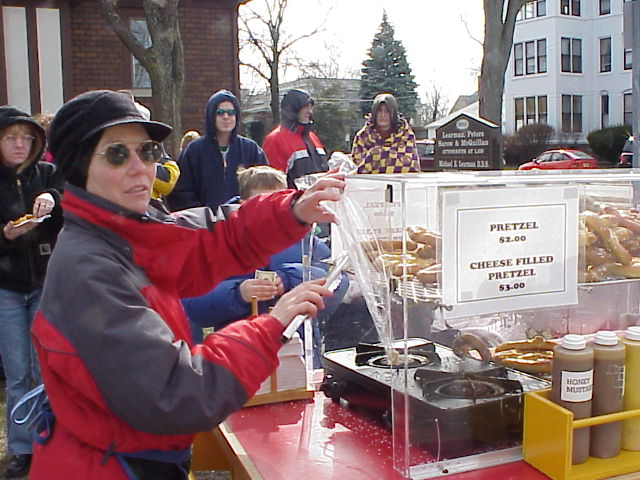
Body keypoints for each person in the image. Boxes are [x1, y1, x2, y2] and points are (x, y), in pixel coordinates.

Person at [26, 89, 343, 479]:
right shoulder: (88, 268)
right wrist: (270, 327)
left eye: (147, 152)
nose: (140, 167)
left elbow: (207, 239)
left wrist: (291, 209)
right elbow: (175, 393)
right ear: (78, 167)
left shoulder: (125, 232)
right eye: (116, 154)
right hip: (108, 467)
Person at [182, 166, 348, 356]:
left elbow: (336, 281)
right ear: (243, 206)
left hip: (300, 354)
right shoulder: (224, 246)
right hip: (240, 353)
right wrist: (238, 293)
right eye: (261, 206)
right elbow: (194, 305)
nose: (271, 217)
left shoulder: (307, 242)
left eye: (278, 204)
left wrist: (289, 278)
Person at [0, 106, 63, 478]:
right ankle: (22, 448)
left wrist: (53, 200)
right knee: (18, 370)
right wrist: (4, 236)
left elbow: (70, 208)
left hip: (44, 282)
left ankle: (49, 440)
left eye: (26, 137)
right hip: (6, 287)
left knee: (46, 366)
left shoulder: (47, 174)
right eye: (11, 137)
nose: (20, 145)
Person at [167, 89, 266, 212]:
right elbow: (180, 193)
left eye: (231, 112)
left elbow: (264, 187)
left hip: (241, 222)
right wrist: (203, 216)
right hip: (204, 225)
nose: (226, 117)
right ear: (211, 116)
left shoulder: (251, 149)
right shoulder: (194, 151)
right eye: (220, 112)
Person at [262, 88, 328, 188]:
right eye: (305, 107)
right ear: (292, 109)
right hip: (293, 202)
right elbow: (272, 186)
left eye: (311, 107)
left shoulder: (312, 137)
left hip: (319, 200)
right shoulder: (275, 140)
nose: (310, 112)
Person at [350, 93, 420, 174]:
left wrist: (377, 155)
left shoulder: (407, 135)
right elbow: (357, 169)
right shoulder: (362, 137)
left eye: (387, 111)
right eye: (379, 111)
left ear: (393, 114)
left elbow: (412, 166)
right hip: (370, 185)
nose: (383, 115)